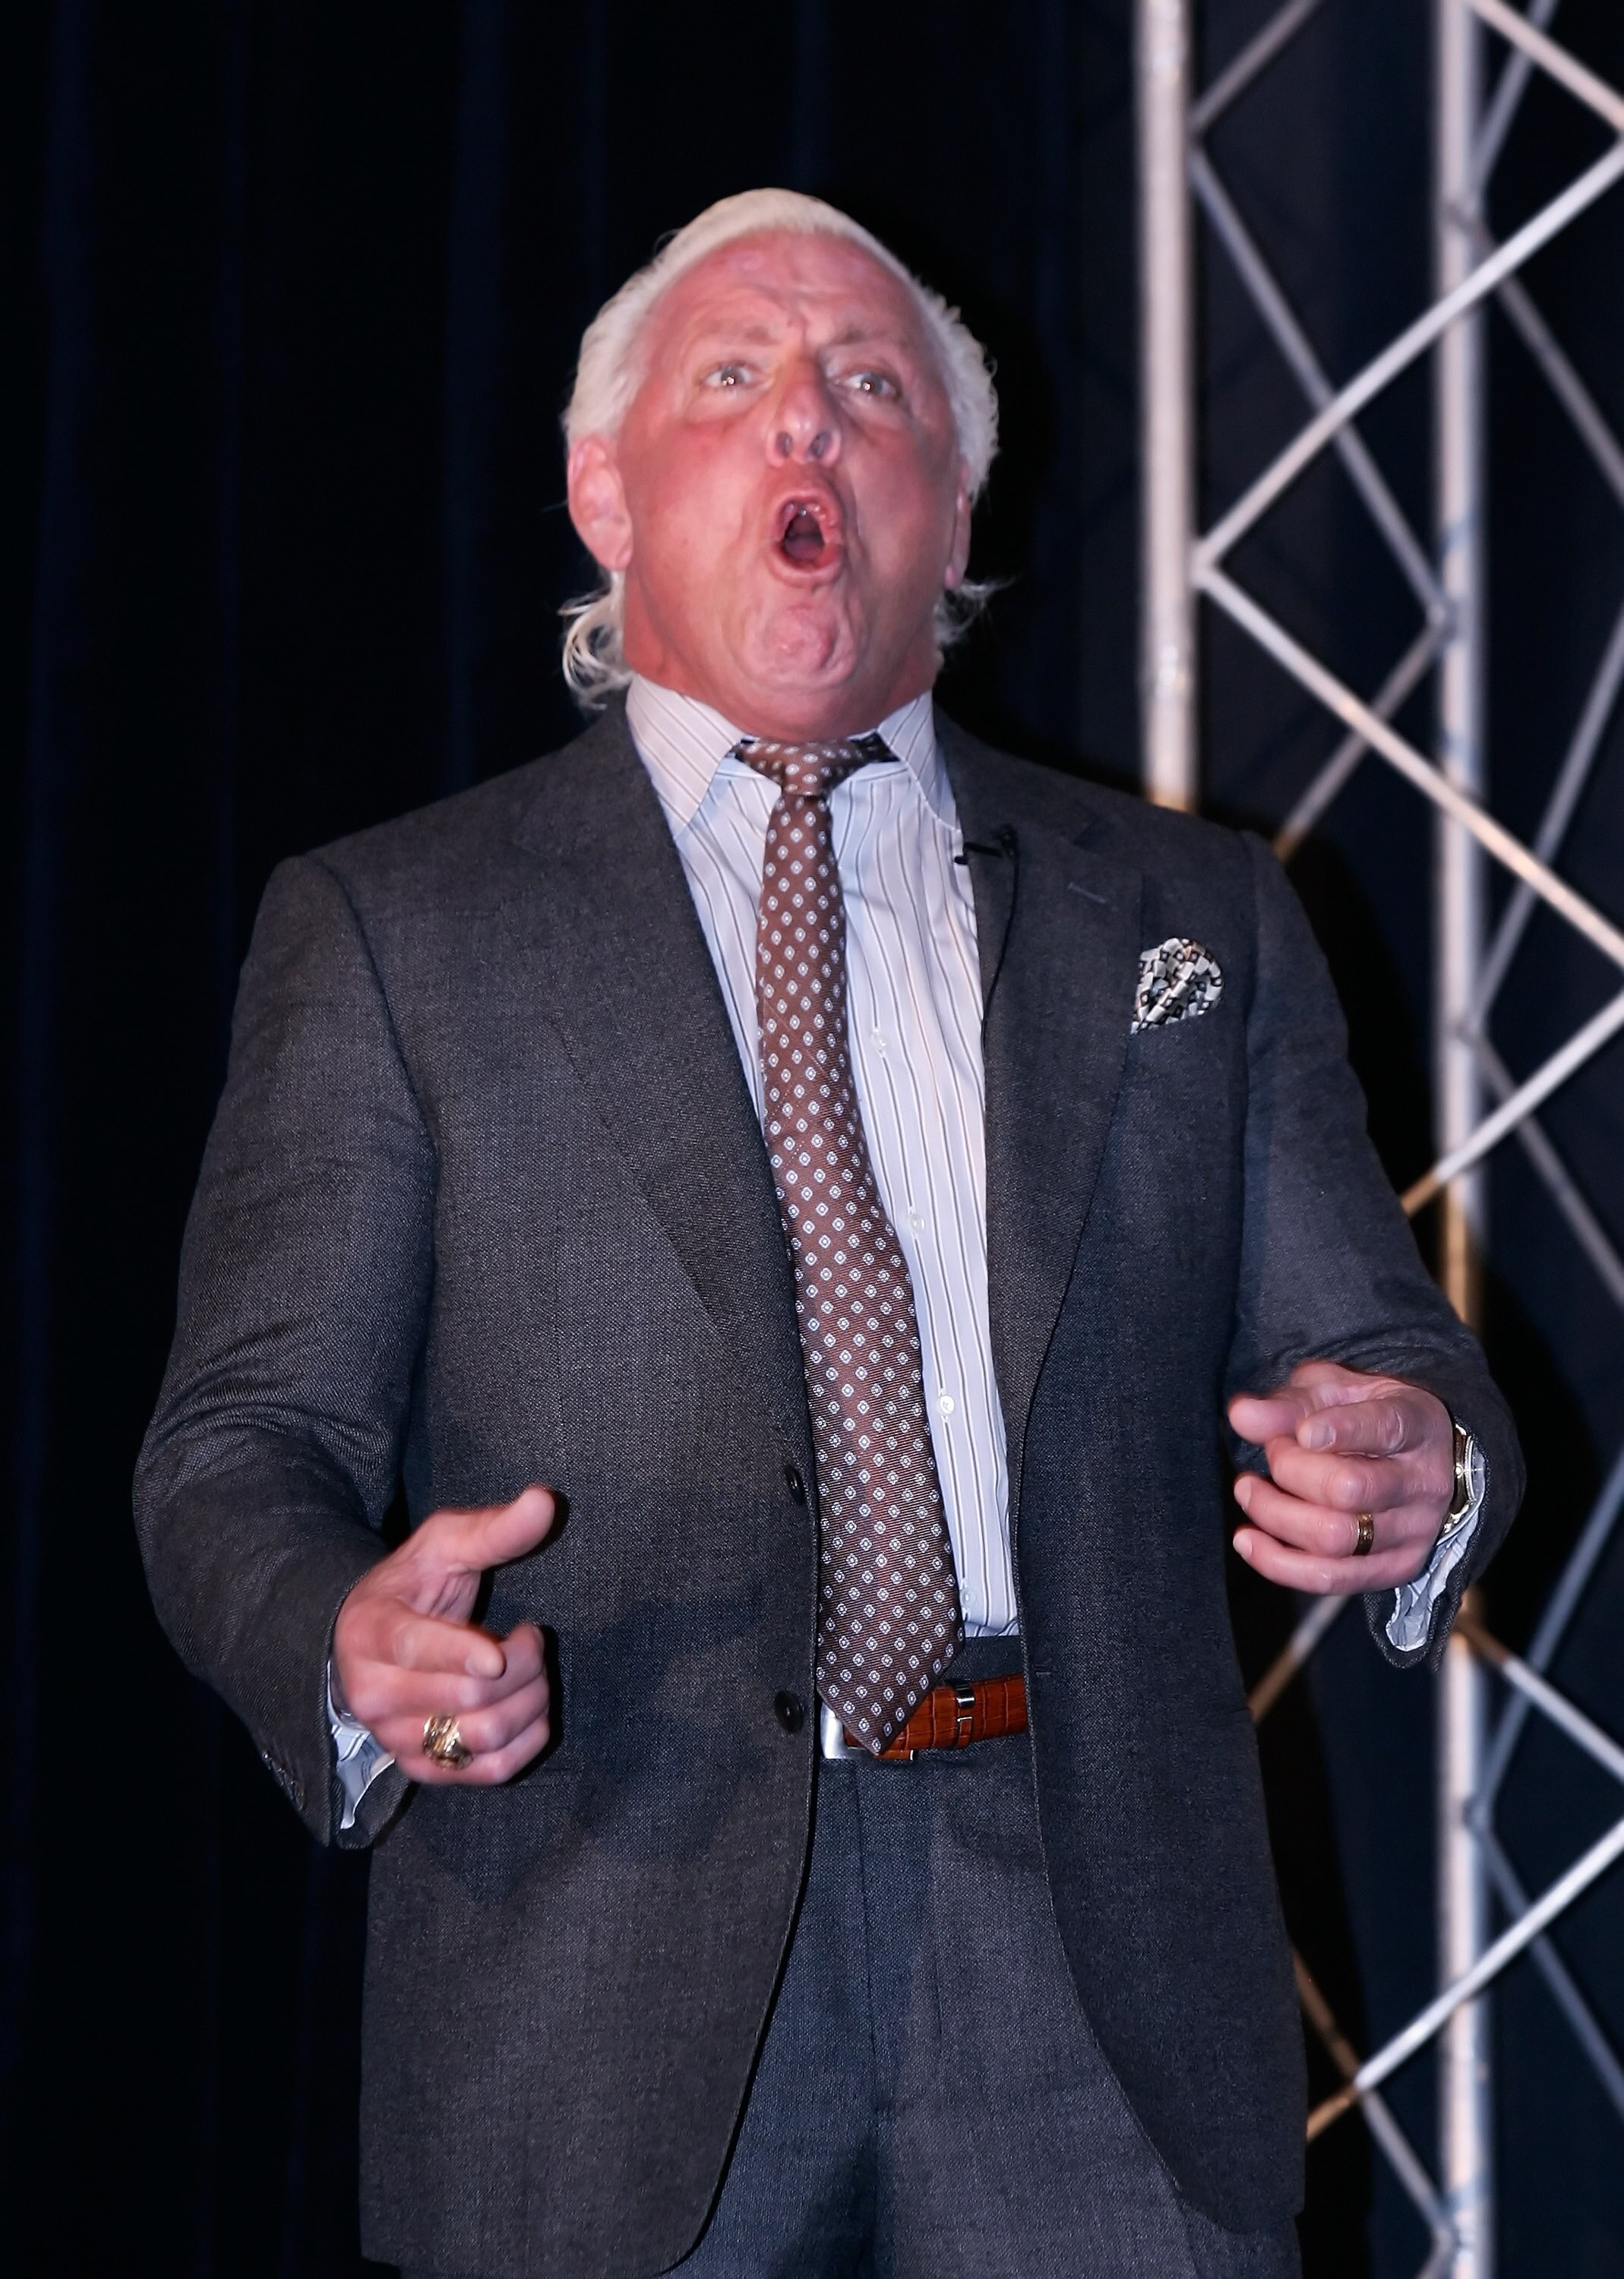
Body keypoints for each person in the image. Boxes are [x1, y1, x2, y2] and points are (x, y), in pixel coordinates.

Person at [135, 189, 1521, 2279]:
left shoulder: (1192, 918)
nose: (807, 421)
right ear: (605, 495)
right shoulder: (397, 931)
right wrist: (343, 1635)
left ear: (952, 517)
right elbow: (237, 1449)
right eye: (733, 378)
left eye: (871, 389)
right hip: (599, 1960)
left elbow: (1393, 1354)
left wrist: (1422, 1464)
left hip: (1095, 1973)